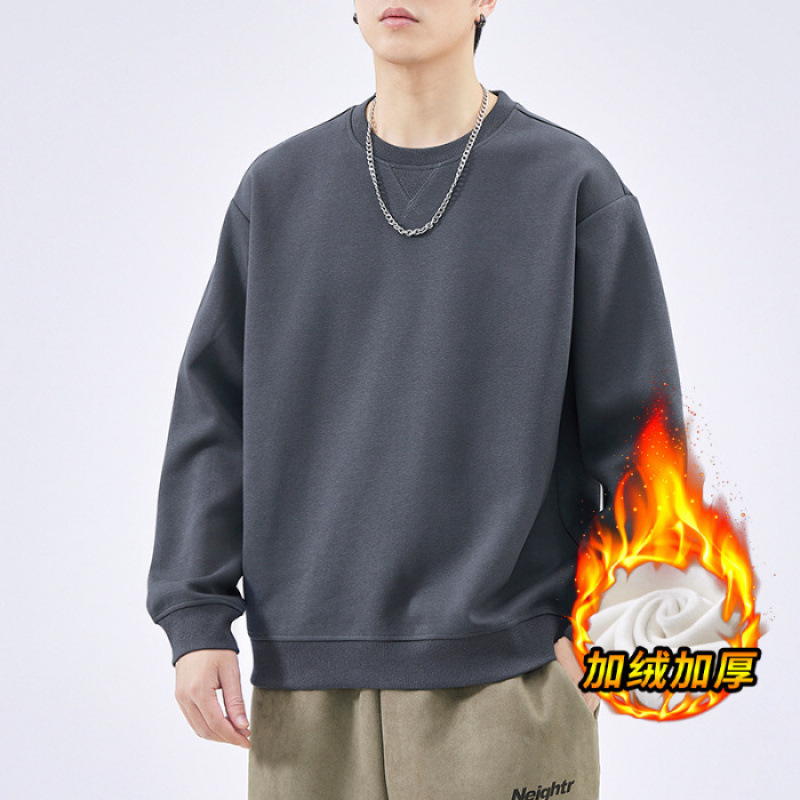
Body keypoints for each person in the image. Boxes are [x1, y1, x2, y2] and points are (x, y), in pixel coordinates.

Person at [146, 1, 686, 798]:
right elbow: (213, 417)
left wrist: (611, 625)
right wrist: (195, 619)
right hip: (307, 681)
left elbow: (644, 441)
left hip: (512, 675)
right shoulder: (279, 189)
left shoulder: (570, 185)